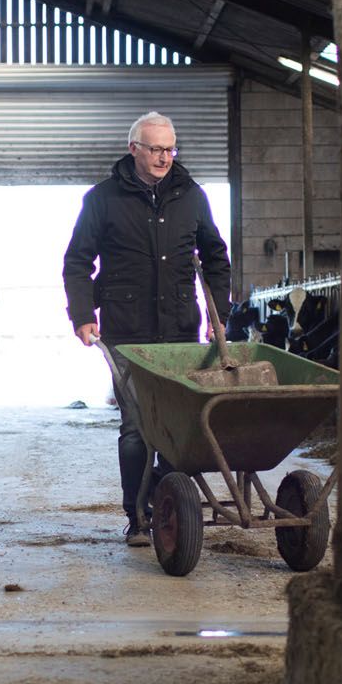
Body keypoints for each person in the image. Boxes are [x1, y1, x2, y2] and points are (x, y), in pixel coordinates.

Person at [62, 112, 232, 546]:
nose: (164, 157)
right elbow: (78, 261)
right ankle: (137, 516)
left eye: (171, 149)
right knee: (137, 426)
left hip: (180, 331)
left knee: (178, 424)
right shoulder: (102, 199)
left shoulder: (191, 196)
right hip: (126, 332)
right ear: (134, 148)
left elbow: (215, 256)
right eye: (155, 149)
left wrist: (220, 315)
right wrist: (83, 314)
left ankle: (168, 503)